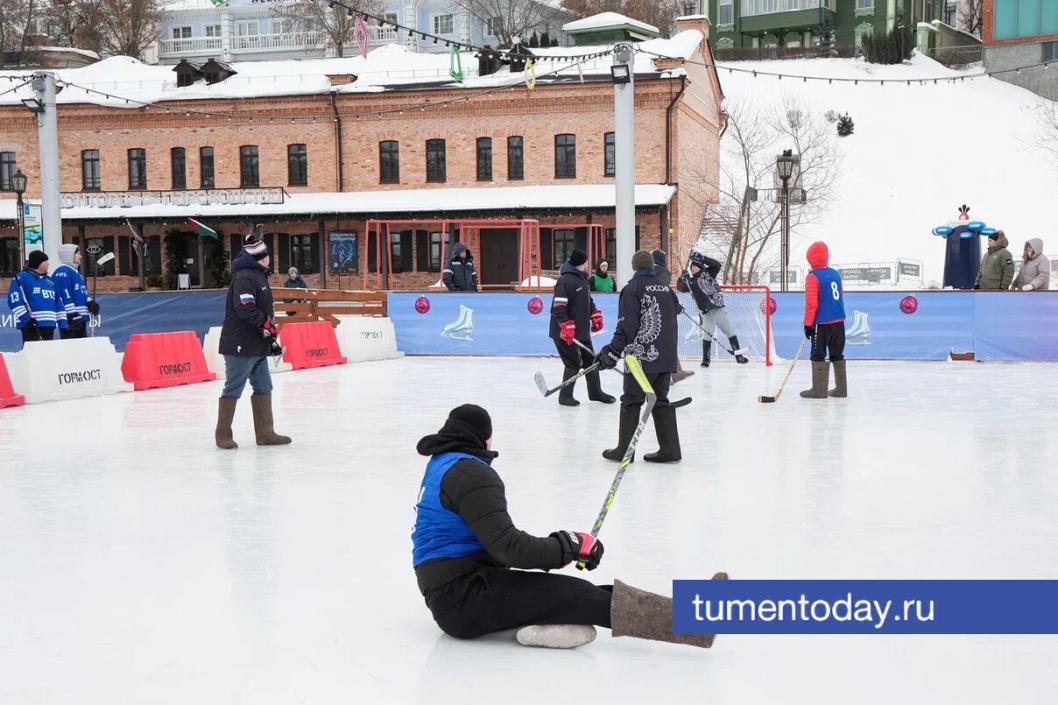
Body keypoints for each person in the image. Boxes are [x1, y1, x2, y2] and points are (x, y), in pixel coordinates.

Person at [412, 404, 726, 649]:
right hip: (462, 598)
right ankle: (696, 623)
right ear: (485, 438)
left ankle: (689, 613)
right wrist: (570, 545)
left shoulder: (443, 464)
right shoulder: (471, 473)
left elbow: (492, 543)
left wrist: (564, 547)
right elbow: (508, 548)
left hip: (458, 590)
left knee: (582, 593)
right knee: (578, 596)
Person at [595, 250, 683, 463]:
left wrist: (612, 351)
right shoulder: (666, 289)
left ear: (634, 267)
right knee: (661, 400)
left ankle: (625, 450)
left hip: (641, 359)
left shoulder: (632, 289)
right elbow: (676, 311)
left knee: (632, 401)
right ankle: (670, 449)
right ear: (652, 266)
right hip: (667, 357)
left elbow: (627, 325)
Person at [215, 235, 291, 450]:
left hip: (257, 344)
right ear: (259, 258)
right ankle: (223, 435)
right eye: (266, 255)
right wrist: (266, 323)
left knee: (264, 386)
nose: (269, 258)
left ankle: (266, 433)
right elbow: (245, 308)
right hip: (239, 344)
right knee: (233, 387)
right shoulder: (245, 277)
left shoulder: (258, 276)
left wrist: (269, 331)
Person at [549, 249, 615, 407]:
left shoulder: (583, 280)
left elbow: (588, 301)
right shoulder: (565, 281)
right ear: (582, 263)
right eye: (586, 262)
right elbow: (558, 306)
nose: (588, 265)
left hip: (581, 331)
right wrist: (565, 325)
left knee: (591, 362)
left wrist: (594, 314)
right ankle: (565, 397)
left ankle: (595, 392)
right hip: (565, 333)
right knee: (573, 363)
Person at [678, 252, 749, 366]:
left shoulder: (708, 273)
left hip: (718, 310)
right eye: (691, 267)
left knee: (729, 332)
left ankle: (739, 356)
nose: (693, 268)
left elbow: (717, 265)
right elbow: (681, 288)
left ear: (700, 266)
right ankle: (706, 360)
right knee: (707, 336)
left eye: (695, 265)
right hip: (707, 314)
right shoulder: (690, 281)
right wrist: (682, 278)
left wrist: (703, 258)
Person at [801, 241, 847, 399]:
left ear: (811, 259)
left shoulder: (813, 277)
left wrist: (808, 325)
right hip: (839, 322)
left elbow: (811, 304)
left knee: (818, 354)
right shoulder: (835, 273)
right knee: (837, 354)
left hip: (822, 323)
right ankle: (841, 390)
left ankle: (819, 390)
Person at [650, 249, 694, 385]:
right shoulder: (662, 272)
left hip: (653, 312)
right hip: (663, 314)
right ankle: (672, 374)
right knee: (666, 344)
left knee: (662, 344)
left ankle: (675, 372)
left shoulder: (649, 273)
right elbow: (665, 293)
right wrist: (676, 306)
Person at [6, 250, 67, 343]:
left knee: (47, 354)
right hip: (31, 325)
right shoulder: (22, 277)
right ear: (38, 263)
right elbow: (14, 300)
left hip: (49, 324)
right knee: (33, 355)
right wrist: (26, 319)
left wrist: (63, 324)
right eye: (45, 261)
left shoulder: (50, 281)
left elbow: (58, 303)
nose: (48, 264)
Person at [52, 244, 96, 340]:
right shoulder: (62, 272)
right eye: (78, 254)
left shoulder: (77, 273)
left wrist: (89, 302)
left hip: (80, 317)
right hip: (71, 318)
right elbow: (64, 295)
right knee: (71, 349)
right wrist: (72, 314)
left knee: (82, 348)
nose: (81, 256)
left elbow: (82, 291)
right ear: (69, 255)